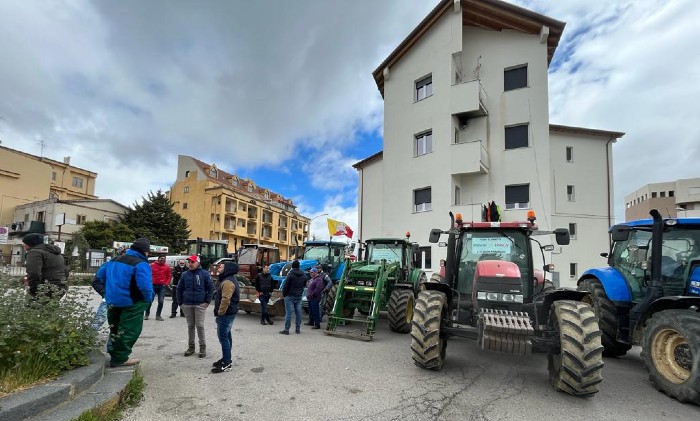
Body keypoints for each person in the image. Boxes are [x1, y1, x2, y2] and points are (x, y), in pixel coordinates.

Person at [94, 238, 153, 367]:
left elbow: (98, 277)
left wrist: (107, 293)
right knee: (129, 331)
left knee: (115, 328)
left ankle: (114, 353)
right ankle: (120, 358)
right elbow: (145, 287)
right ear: (145, 251)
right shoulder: (140, 264)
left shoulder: (114, 260)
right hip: (132, 303)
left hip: (112, 301)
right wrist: (148, 300)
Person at [177, 255, 214, 358]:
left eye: (192, 262)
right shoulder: (184, 274)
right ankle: (191, 347)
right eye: (189, 262)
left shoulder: (204, 274)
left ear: (198, 263)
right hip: (187, 304)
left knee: (200, 326)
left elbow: (211, 288)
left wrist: (207, 301)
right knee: (190, 326)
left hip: (200, 304)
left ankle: (202, 347)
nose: (190, 264)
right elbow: (179, 289)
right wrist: (181, 303)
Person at [211, 261, 240, 373]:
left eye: (221, 266)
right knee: (227, 337)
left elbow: (226, 299)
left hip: (226, 314)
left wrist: (220, 312)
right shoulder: (228, 279)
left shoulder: (228, 282)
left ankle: (227, 363)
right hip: (229, 313)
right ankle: (225, 358)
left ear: (227, 269)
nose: (219, 267)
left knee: (223, 338)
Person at [22, 233, 69, 300]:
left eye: (24, 243)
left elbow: (34, 273)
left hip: (46, 287)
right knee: (50, 308)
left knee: (33, 308)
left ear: (30, 243)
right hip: (60, 287)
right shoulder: (56, 253)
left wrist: (33, 289)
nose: (23, 245)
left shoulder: (34, 252)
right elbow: (65, 272)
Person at [279, 260, 307, 335]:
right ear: (299, 266)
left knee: (289, 313)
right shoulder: (304, 274)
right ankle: (297, 329)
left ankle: (286, 329)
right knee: (298, 313)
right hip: (298, 296)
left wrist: (284, 294)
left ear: (292, 266)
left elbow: (285, 285)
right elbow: (304, 284)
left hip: (289, 296)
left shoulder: (290, 275)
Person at [146, 255, 171, 321]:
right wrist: (149, 282)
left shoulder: (167, 267)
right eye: (161, 258)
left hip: (162, 286)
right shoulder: (151, 265)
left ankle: (158, 315)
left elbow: (169, 276)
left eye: (164, 259)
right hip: (152, 285)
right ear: (158, 259)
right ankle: (146, 314)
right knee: (150, 301)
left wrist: (166, 284)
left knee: (161, 301)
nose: (162, 260)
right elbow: (147, 274)